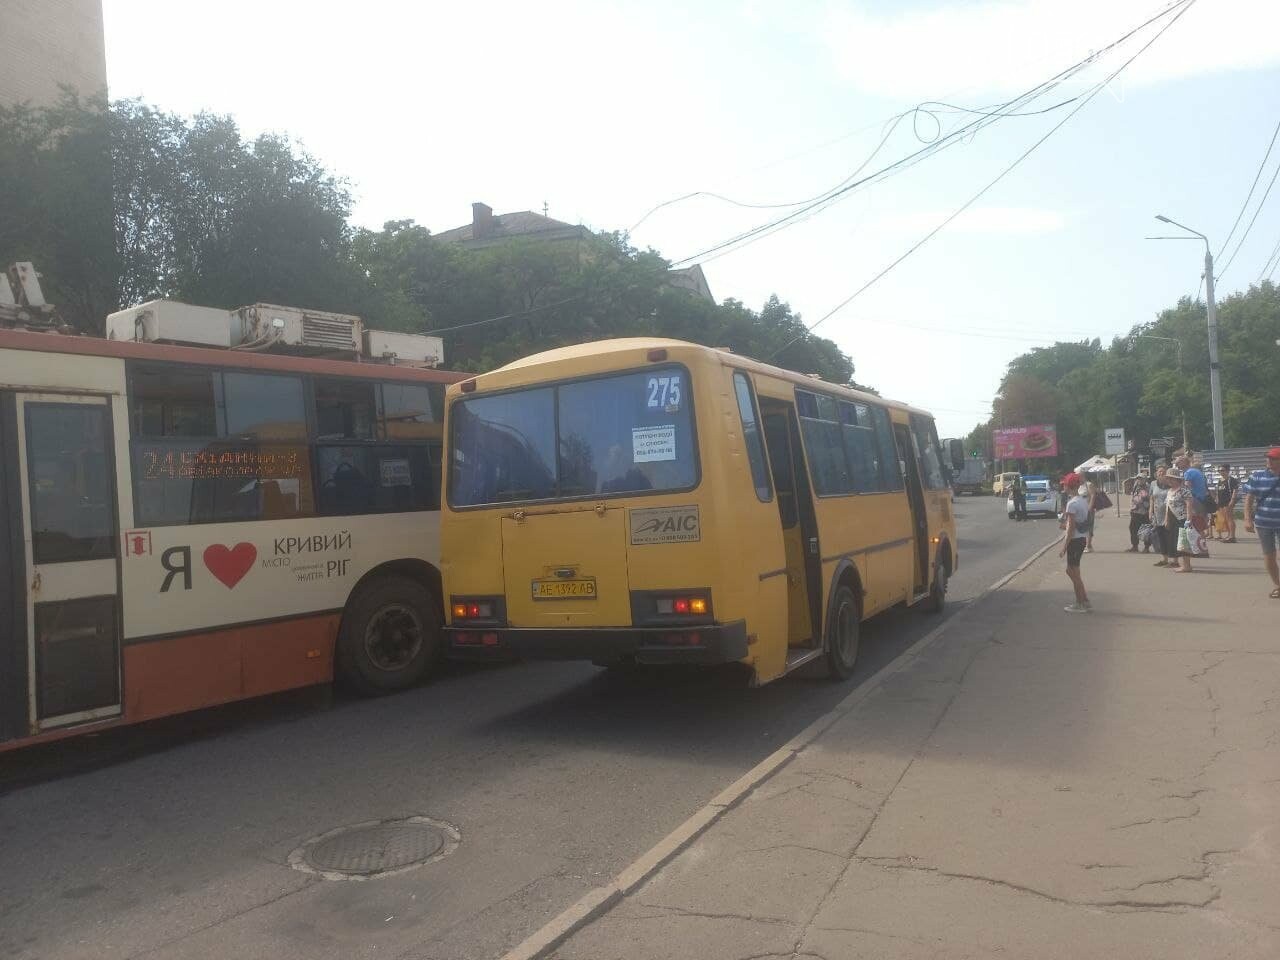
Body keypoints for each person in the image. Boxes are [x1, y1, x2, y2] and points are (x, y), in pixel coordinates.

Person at [1243, 447, 1280, 599]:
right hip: (1264, 522)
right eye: (1268, 458)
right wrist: (1247, 519)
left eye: (1273, 458)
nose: (1269, 461)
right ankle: (1278, 584)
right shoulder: (1257, 476)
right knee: (1269, 555)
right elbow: (1249, 498)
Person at [1060, 483, 1092, 612]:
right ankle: (1084, 600)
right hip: (1081, 538)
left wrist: (1064, 547)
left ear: (1070, 487)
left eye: (1065, 485)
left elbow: (1071, 528)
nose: (1064, 488)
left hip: (1074, 540)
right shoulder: (1082, 501)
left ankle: (1081, 603)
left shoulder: (1072, 503)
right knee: (1073, 571)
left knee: (1073, 573)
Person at [1177, 453, 1211, 559]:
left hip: (1195, 501)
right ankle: (1200, 548)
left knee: (1196, 525)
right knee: (1199, 525)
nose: (1177, 465)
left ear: (1185, 462)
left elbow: (1187, 488)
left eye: (1179, 462)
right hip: (1201, 500)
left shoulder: (1188, 473)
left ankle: (1201, 550)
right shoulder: (1196, 471)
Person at [1165, 467, 1197, 572]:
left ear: (1177, 479)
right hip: (1172, 519)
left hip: (1182, 519)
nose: (1169, 481)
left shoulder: (1184, 491)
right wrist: (1166, 519)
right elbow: (1167, 506)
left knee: (1184, 543)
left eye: (1171, 479)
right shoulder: (1169, 491)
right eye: (1168, 478)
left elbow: (1189, 505)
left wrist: (1189, 519)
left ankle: (1187, 566)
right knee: (1176, 542)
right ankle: (1182, 564)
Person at [1150, 466, 1175, 566]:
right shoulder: (1153, 484)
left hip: (1170, 515)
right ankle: (1164, 559)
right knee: (1161, 538)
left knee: (1170, 537)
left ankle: (1174, 560)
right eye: (1159, 472)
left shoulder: (1171, 484)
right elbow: (1152, 498)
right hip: (1158, 515)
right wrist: (1150, 511)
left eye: (1163, 472)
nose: (1161, 474)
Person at [1215, 463, 1239, 543]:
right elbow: (1218, 491)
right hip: (1221, 503)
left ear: (1228, 471)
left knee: (1229, 518)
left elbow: (1235, 491)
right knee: (1225, 519)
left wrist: (1232, 500)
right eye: (1219, 471)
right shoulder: (1220, 480)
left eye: (1222, 470)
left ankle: (1232, 536)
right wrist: (1217, 500)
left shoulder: (1231, 480)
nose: (1221, 472)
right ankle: (1229, 535)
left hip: (1228, 502)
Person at [1127, 476, 1151, 552]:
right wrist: (1131, 508)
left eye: (1141, 479)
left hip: (1145, 512)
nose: (1139, 480)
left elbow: (1149, 497)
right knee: (1133, 528)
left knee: (1146, 529)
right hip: (1135, 511)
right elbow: (1133, 496)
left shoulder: (1148, 487)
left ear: (1145, 479)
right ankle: (1135, 546)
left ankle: (1146, 547)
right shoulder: (1135, 486)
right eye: (1138, 479)